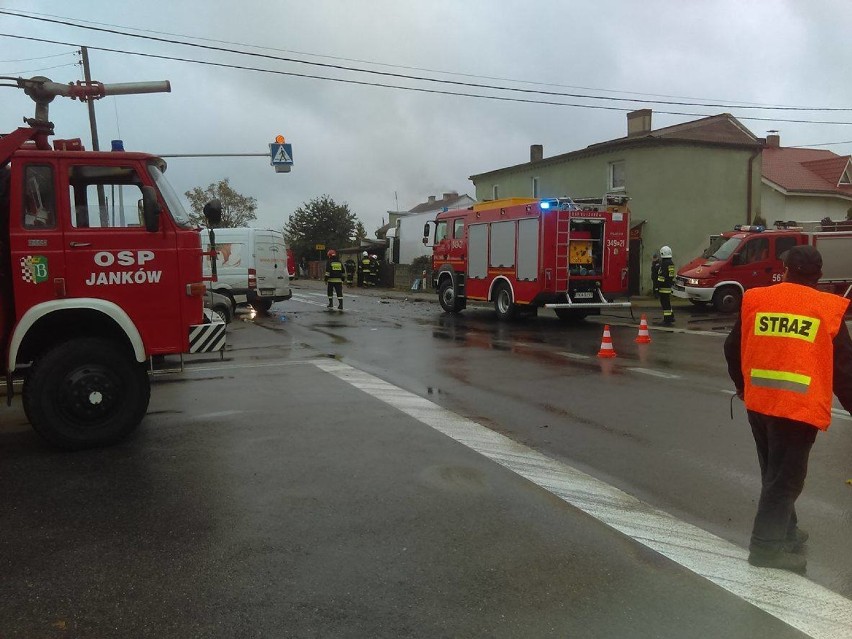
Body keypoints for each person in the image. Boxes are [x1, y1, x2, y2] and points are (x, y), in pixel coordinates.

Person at [724, 245, 852, 572]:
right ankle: (765, 549)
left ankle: (787, 533)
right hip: (796, 411)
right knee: (785, 480)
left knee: (774, 471)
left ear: (785, 269)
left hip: (760, 404)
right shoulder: (826, 308)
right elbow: (845, 372)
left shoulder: (757, 299)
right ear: (819, 275)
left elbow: (731, 346)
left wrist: (742, 385)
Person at [656, 245, 675, 325]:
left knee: (665, 303)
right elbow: (670, 275)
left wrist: (657, 287)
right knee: (667, 302)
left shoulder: (664, 264)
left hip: (663, 287)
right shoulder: (671, 263)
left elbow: (661, 276)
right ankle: (671, 316)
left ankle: (667, 320)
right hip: (668, 286)